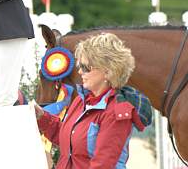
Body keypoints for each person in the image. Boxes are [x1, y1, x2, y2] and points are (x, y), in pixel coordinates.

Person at [32, 33, 152, 168]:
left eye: (85, 67)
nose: (80, 72)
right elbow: (68, 138)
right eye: (79, 66)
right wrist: (42, 117)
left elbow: (103, 163)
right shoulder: (81, 101)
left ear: (107, 71)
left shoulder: (116, 111)